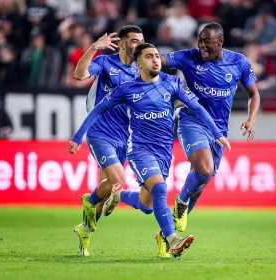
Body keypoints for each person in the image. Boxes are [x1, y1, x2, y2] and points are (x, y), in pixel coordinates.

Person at [69, 42, 231, 258]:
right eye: (148, 56)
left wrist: (217, 133)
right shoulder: (127, 89)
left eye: (156, 56)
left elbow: (197, 108)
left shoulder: (173, 84)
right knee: (161, 189)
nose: (155, 59)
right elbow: (98, 110)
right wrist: (79, 136)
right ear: (138, 64)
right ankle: (173, 239)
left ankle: (119, 195)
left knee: (147, 205)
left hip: (164, 153)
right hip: (139, 150)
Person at [158, 22, 260, 238]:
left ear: (220, 42)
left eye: (207, 41)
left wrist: (251, 119)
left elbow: (254, 93)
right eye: (200, 40)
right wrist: (139, 52)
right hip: (192, 121)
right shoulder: (189, 57)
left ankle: (167, 237)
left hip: (219, 130)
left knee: (201, 184)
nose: (202, 45)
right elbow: (158, 59)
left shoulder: (238, 62)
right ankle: (181, 201)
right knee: (204, 169)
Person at [71, 25, 144, 257]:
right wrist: (93, 48)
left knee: (107, 194)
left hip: (124, 135)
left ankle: (84, 230)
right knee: (119, 182)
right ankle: (88, 201)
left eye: (141, 41)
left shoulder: (141, 70)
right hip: (99, 131)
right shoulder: (105, 63)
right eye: (134, 41)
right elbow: (79, 75)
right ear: (121, 44)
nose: (139, 45)